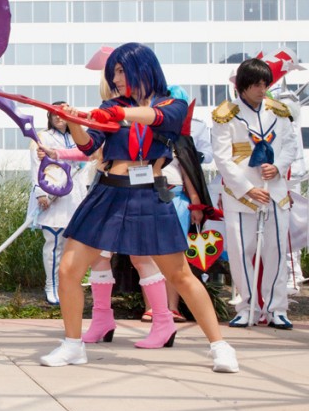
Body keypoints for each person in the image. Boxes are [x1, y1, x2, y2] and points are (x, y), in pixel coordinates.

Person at [40, 42, 239, 373]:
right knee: (68, 269)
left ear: (141, 69)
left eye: (121, 70)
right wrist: (73, 120)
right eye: (113, 71)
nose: (116, 78)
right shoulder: (110, 105)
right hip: (107, 193)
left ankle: (221, 347)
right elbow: (90, 145)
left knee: (180, 275)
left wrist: (116, 114)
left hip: (148, 195)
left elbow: (156, 117)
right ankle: (72, 345)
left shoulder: (172, 103)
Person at [212, 57, 299, 329]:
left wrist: (278, 166)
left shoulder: (280, 111)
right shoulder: (225, 114)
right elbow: (222, 158)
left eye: (265, 84)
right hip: (241, 194)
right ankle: (246, 306)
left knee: (275, 249)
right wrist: (248, 189)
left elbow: (289, 146)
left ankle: (277, 309)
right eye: (257, 85)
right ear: (243, 86)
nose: (263, 90)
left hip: (274, 190)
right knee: (240, 251)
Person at [29, 101, 86, 305]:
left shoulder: (79, 136)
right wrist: (41, 193)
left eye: (63, 113)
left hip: (75, 196)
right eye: (54, 113)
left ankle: (66, 287)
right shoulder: (42, 137)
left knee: (71, 246)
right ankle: (51, 286)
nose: (59, 117)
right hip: (51, 195)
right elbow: (36, 166)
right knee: (53, 244)